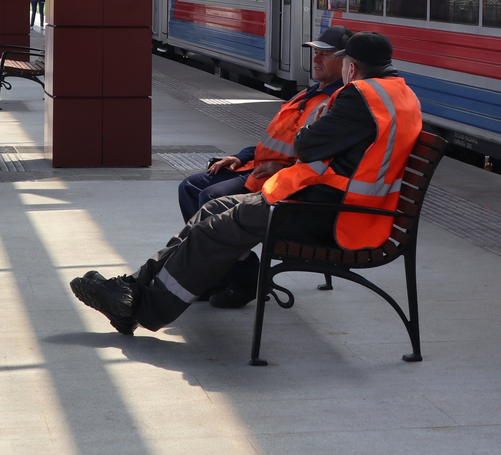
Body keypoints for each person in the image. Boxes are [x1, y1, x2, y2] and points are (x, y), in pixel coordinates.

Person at [70, 32, 423, 335]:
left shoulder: (358, 95)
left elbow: (305, 143)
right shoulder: (401, 94)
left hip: (330, 213)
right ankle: (132, 286)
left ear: (352, 66)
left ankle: (141, 310)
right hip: (344, 207)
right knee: (214, 207)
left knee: (215, 227)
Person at [176, 25, 353, 307]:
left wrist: (282, 168)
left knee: (210, 197)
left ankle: (244, 279)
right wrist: (241, 156)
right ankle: (220, 275)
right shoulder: (309, 93)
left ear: (346, 61)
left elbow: (324, 158)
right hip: (259, 168)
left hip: (284, 181)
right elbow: (274, 139)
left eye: (325, 54)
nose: (316, 59)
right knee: (190, 186)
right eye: (315, 53)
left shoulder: (335, 103)